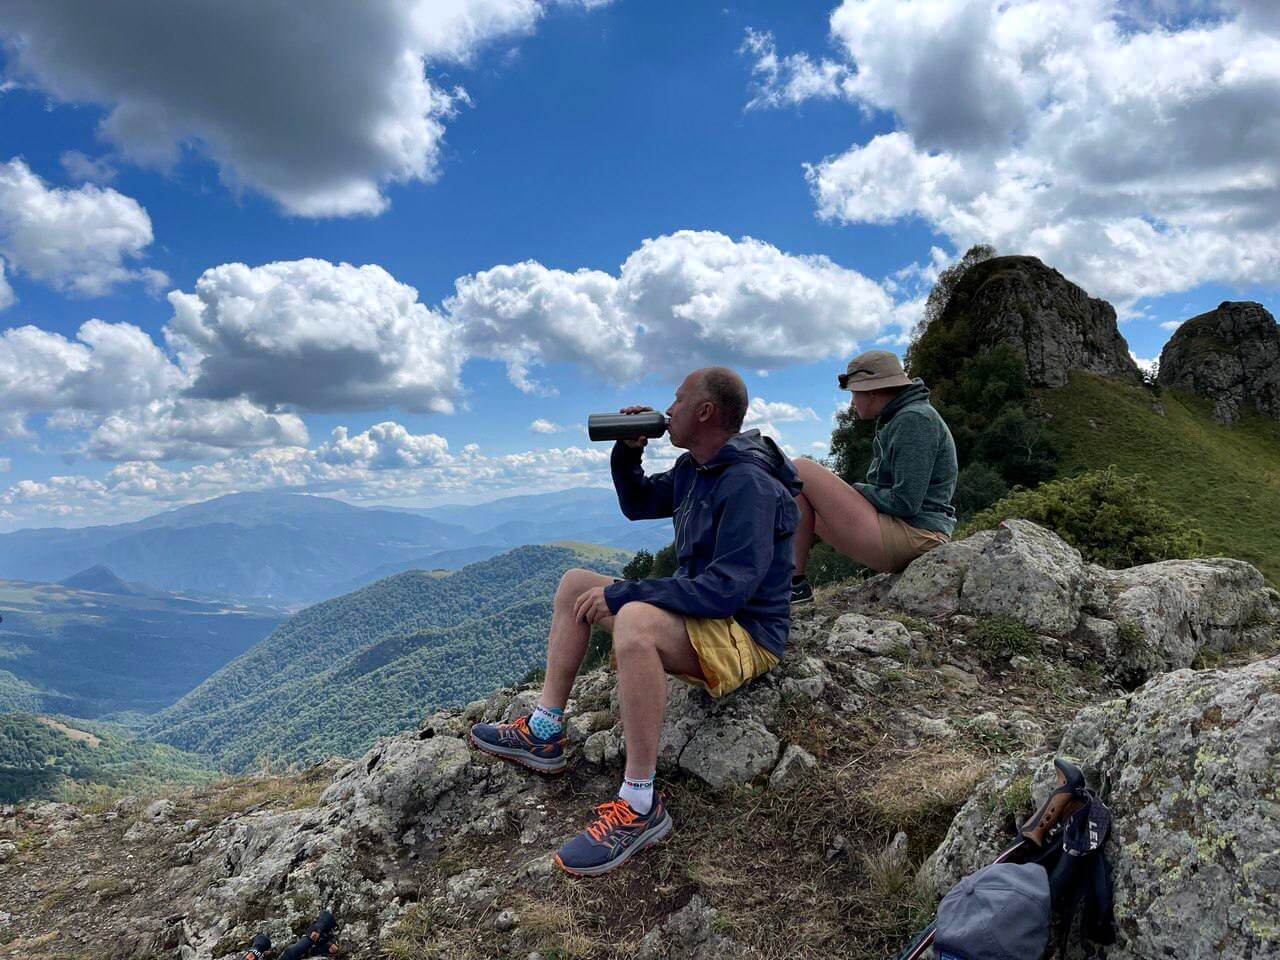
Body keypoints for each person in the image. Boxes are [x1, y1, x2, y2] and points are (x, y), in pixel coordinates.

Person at [470, 366, 801, 876]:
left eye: (678, 399)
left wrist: (626, 594)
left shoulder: (748, 484)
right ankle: (544, 729)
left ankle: (640, 803)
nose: (668, 409)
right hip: (705, 622)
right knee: (576, 583)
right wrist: (629, 450)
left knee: (635, 620)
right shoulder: (697, 468)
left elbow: (726, 590)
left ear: (705, 411)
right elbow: (638, 503)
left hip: (745, 635)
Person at [789, 349, 957, 605]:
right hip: (906, 532)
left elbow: (906, 502)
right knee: (800, 494)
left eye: (855, 393)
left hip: (920, 535)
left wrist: (857, 491)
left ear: (873, 392)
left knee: (800, 467)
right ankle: (793, 586)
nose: (852, 402)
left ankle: (790, 587)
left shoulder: (915, 420)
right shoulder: (899, 418)